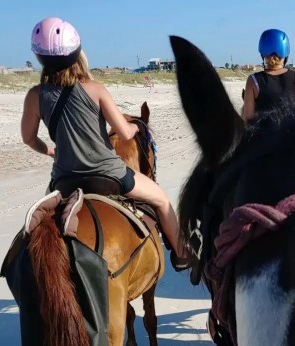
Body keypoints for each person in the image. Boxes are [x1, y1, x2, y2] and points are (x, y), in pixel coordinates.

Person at [21, 17, 190, 269]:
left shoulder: (35, 95)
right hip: (108, 174)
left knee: (45, 222)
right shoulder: (95, 88)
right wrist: (133, 125)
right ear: (77, 52)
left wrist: (52, 151)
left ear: (39, 57)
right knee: (162, 200)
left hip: (64, 180)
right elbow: (124, 133)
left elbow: (28, 138)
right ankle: (181, 255)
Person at [243, 29, 295, 120]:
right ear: (285, 54)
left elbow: (248, 119)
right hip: (293, 133)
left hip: (263, 134)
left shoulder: (253, 81)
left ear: (262, 54)